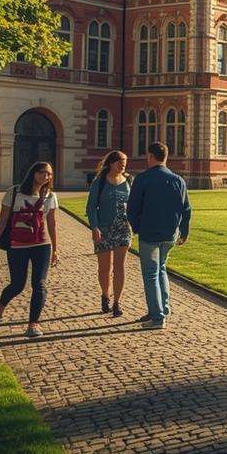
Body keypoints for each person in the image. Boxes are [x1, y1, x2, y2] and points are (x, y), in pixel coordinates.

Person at [0, 161, 59, 338]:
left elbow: (52, 224)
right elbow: (2, 220)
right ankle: (1, 304)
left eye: (49, 174)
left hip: (42, 245)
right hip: (17, 246)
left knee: (40, 284)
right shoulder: (14, 192)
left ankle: (33, 324)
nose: (46, 177)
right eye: (42, 172)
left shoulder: (50, 196)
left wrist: (56, 249)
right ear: (33, 173)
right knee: (17, 285)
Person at [126, 141, 192, 330]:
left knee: (151, 274)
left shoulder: (143, 178)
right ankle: (163, 308)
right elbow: (186, 209)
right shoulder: (178, 179)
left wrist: (137, 228)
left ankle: (157, 317)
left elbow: (132, 209)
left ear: (150, 156)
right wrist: (184, 231)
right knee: (161, 269)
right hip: (171, 233)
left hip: (150, 233)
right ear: (166, 157)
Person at [86, 150, 132, 318]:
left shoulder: (129, 181)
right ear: (111, 163)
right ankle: (105, 295)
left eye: (125, 161)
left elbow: (134, 205)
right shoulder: (99, 182)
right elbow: (91, 208)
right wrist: (94, 228)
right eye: (120, 161)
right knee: (104, 269)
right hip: (103, 229)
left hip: (123, 229)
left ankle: (117, 302)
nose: (123, 164)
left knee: (120, 267)